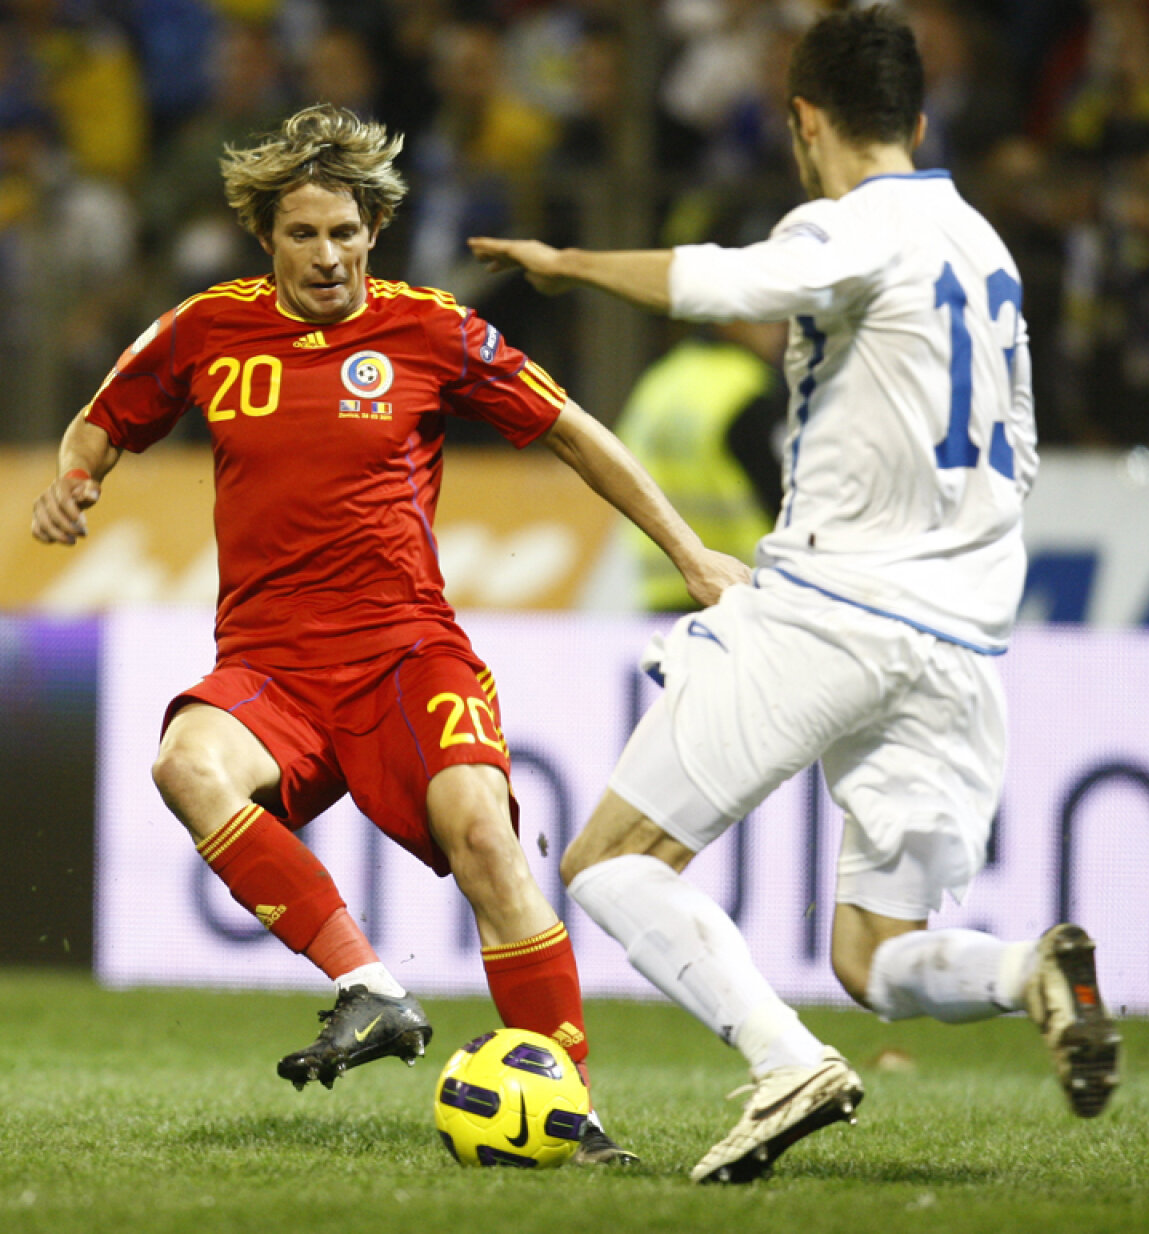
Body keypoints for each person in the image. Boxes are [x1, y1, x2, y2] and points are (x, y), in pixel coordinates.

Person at [470, 4, 1121, 1184]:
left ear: (803, 121)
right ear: (919, 123)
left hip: (836, 607)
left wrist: (569, 265)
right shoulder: (989, 249)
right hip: (963, 645)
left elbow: (729, 282)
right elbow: (1018, 451)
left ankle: (785, 1063)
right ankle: (1029, 967)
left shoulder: (854, 226)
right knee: (877, 956)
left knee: (611, 865)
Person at [31, 103, 745, 1165]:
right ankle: (369, 986)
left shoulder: (432, 331)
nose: (329, 256)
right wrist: (76, 479)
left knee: (487, 838)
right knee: (186, 764)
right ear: (265, 238)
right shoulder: (206, 330)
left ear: (376, 229)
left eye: (347, 232)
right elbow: (102, 417)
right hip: (269, 665)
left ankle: (570, 1109)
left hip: (406, 653)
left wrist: (691, 554)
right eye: (304, 234)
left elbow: (574, 432)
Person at [615, 317, 787, 613]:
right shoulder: (747, 389)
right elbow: (784, 503)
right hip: (736, 589)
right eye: (766, 319)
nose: (780, 331)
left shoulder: (660, 382)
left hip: (661, 590)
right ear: (727, 318)